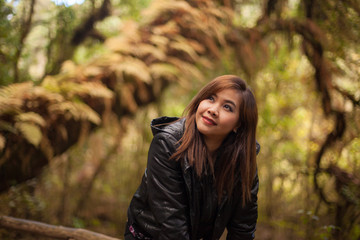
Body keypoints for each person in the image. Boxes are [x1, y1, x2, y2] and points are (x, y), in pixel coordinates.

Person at [124, 75, 260, 240]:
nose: (213, 110)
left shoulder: (243, 161)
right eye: (210, 98)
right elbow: (173, 227)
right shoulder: (168, 144)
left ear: (239, 124)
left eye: (227, 107)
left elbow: (243, 228)